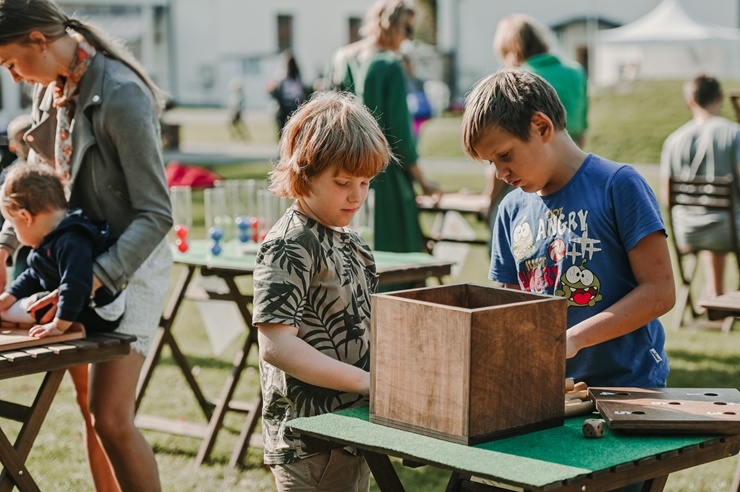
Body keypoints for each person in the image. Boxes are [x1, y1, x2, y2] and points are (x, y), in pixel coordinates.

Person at [0, 1, 173, 491]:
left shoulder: (121, 94)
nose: (13, 77)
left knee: (111, 419)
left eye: (10, 64)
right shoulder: (48, 88)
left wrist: (93, 277)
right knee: (92, 409)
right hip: (73, 257)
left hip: (128, 265)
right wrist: (8, 243)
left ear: (38, 39)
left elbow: (156, 214)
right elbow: (40, 185)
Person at [462, 68, 674, 387]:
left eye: (505, 155)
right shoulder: (510, 209)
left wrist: (574, 339)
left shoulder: (619, 186)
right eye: (492, 163)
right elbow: (513, 309)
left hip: (629, 385)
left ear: (541, 127)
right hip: (547, 389)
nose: (500, 173)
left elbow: (660, 292)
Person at [252, 91, 390, 491]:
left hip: (354, 432)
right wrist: (367, 382)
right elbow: (276, 346)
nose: (357, 195)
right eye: (343, 182)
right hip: (308, 440)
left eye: (365, 182)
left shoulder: (354, 244)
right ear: (303, 173)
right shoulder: (287, 245)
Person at [326, 0, 441, 254]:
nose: (407, 38)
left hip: (344, 175)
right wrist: (423, 181)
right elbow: (400, 138)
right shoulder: (389, 66)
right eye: (407, 29)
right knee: (396, 264)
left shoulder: (341, 58)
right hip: (385, 177)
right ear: (392, 25)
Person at [486, 14, 590, 256]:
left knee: (512, 241)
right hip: (572, 172)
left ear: (510, 49)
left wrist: (488, 200)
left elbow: (503, 149)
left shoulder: (517, 80)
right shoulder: (576, 73)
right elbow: (580, 129)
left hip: (525, 177)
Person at [0, 163, 125, 336]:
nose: (15, 231)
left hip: (99, 312)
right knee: (29, 302)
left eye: (14, 226)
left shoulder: (71, 240)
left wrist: (58, 326)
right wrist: (7, 297)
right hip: (79, 305)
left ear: (25, 217)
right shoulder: (51, 240)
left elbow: (75, 285)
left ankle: (10, 317)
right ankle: (9, 315)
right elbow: (34, 276)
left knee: (36, 304)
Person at [660, 74, 740, 301]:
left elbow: (667, 197)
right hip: (729, 231)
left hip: (687, 231)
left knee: (713, 221)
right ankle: (718, 295)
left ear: (690, 102)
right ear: (720, 98)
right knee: (723, 219)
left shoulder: (674, 140)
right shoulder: (733, 133)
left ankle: (715, 292)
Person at [268, 49, 309, 137]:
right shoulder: (298, 76)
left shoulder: (281, 75)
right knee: (294, 129)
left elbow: (277, 90)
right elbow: (300, 91)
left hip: (285, 105)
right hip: (295, 104)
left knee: (282, 130)